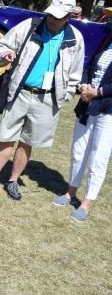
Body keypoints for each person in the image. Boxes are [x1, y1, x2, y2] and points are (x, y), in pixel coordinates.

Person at [0, 0, 85, 201]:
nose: (52, 19)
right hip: (21, 92)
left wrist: (66, 95)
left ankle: (13, 181)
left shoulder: (75, 39)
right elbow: (2, 47)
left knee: (28, 142)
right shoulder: (30, 25)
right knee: (6, 136)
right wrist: (5, 55)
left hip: (48, 99)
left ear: (70, 16)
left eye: (59, 17)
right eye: (51, 14)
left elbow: (75, 72)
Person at [52, 28, 112, 222]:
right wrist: (84, 86)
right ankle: (70, 193)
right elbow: (89, 67)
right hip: (87, 103)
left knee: (98, 157)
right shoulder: (106, 41)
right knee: (78, 151)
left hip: (108, 109)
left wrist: (99, 92)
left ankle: (86, 203)